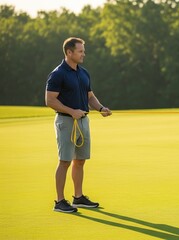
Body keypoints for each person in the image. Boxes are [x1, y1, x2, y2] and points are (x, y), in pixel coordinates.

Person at [45, 37, 112, 213]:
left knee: (80, 160)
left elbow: (90, 96)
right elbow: (50, 100)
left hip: (83, 121)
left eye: (83, 50)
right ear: (69, 52)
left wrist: (101, 108)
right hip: (66, 122)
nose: (84, 54)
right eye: (80, 51)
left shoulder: (84, 73)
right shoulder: (58, 73)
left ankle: (78, 197)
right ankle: (59, 201)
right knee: (65, 161)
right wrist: (71, 111)